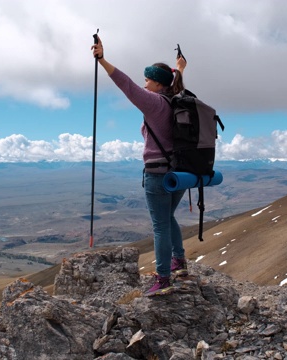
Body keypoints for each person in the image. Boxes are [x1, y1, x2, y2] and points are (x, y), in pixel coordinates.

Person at [92, 36, 188, 297]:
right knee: (168, 219)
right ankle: (179, 263)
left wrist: (102, 61)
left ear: (158, 84)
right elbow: (174, 80)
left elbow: (127, 86)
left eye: (148, 79)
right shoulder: (175, 100)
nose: (144, 83)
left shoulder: (154, 103)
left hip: (158, 175)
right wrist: (179, 68)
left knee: (160, 226)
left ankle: (164, 278)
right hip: (180, 175)